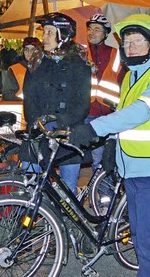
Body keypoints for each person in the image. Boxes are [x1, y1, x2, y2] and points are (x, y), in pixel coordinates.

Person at [69, 13, 150, 277]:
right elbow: (123, 118)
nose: (130, 46)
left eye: (137, 41)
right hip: (133, 166)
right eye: (127, 42)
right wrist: (112, 146)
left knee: (149, 242)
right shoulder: (131, 76)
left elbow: (139, 113)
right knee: (141, 238)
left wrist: (94, 129)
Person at [22, 12, 91, 194]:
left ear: (63, 34)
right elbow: (29, 99)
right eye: (44, 32)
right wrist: (37, 123)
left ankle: (68, 221)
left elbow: (82, 102)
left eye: (50, 32)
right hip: (39, 131)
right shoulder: (36, 62)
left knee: (67, 189)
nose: (44, 37)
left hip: (68, 132)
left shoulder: (80, 63)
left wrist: (61, 121)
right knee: (30, 183)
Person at [85, 13, 125, 171]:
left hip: (110, 113)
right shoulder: (81, 53)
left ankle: (106, 194)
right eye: (90, 29)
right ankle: (100, 195)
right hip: (88, 113)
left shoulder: (116, 54)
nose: (92, 32)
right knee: (96, 160)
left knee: (109, 158)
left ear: (106, 34)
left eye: (97, 29)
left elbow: (123, 82)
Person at [2, 37, 40, 101]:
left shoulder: (46, 68)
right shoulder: (14, 70)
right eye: (26, 49)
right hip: (20, 107)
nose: (29, 52)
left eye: (33, 49)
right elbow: (7, 94)